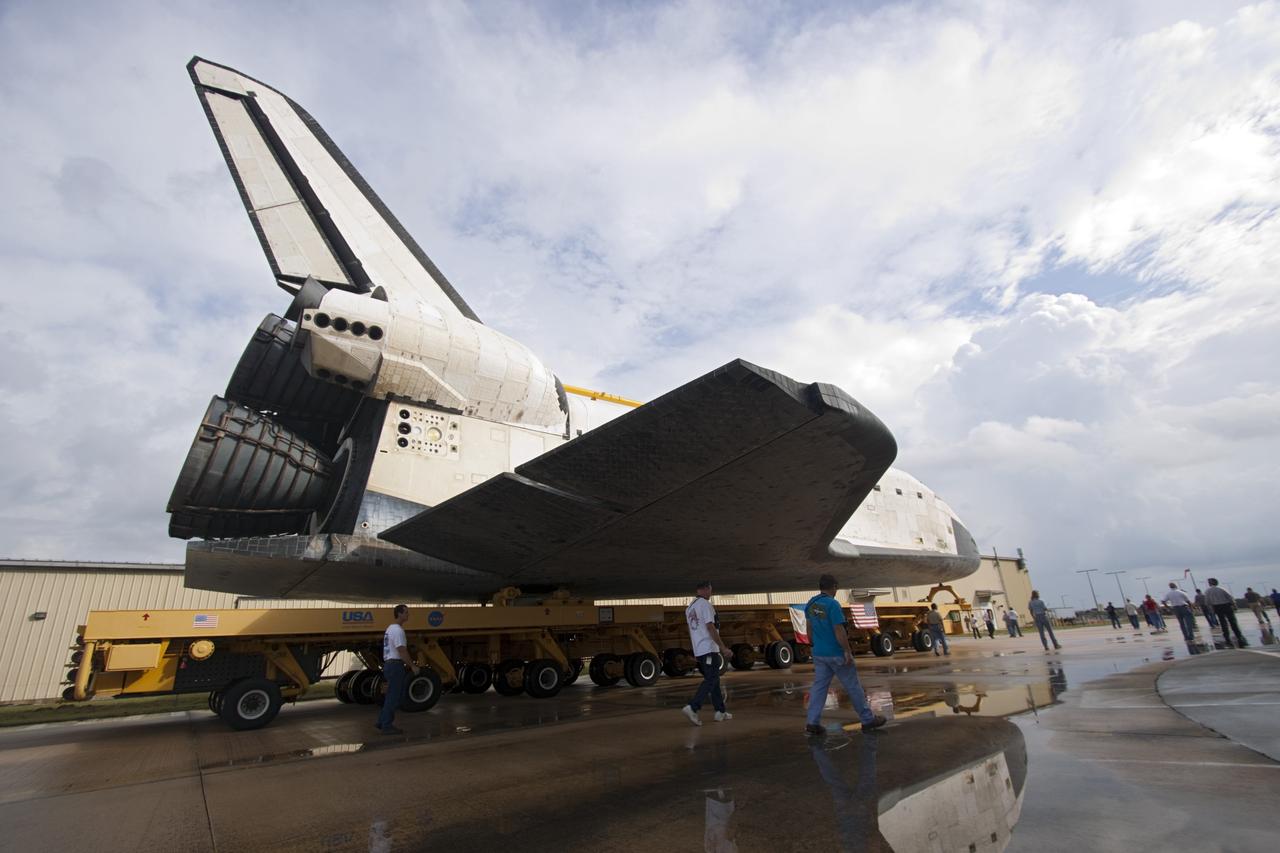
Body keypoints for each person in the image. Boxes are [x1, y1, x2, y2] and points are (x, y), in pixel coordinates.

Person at [804, 574, 887, 735]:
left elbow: (809, 630)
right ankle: (867, 720)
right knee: (853, 686)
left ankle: (812, 722)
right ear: (834, 587)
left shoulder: (811, 604)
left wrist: (814, 645)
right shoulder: (832, 604)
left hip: (820, 654)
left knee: (819, 688)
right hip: (836, 653)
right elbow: (839, 630)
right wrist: (847, 651)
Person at [681, 581, 733, 726]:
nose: (711, 593)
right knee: (711, 679)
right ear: (704, 589)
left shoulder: (690, 607)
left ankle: (720, 712)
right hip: (709, 648)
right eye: (710, 590)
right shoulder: (705, 605)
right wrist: (723, 648)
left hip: (700, 650)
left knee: (714, 681)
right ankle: (693, 707)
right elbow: (710, 627)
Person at [376, 604, 419, 734]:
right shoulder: (398, 631)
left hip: (389, 664)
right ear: (399, 614)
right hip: (395, 666)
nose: (408, 615)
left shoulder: (390, 628)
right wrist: (412, 666)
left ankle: (381, 721)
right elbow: (402, 650)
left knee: (390, 695)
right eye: (406, 612)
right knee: (394, 697)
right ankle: (387, 725)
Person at [1204, 578, 1247, 648]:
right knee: (1233, 622)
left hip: (1217, 607)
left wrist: (1211, 609)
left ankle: (1227, 638)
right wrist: (1234, 605)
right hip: (1226, 606)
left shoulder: (1208, 591)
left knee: (1223, 623)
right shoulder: (1222, 589)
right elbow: (1230, 597)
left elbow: (1207, 602)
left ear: (1210, 583)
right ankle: (1239, 637)